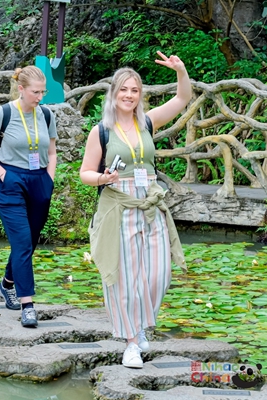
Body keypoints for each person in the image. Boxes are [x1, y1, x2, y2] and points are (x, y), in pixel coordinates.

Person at [79, 51, 191, 369]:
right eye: (124, 89)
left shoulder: (147, 122)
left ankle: (139, 327)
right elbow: (85, 173)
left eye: (135, 90)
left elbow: (183, 97)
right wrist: (103, 177)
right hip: (118, 206)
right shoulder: (101, 131)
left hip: (151, 205)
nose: (129, 95)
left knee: (158, 275)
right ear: (113, 93)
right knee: (125, 278)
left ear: (140, 95)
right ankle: (130, 342)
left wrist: (180, 70)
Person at [0, 66, 57, 328]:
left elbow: (52, 151)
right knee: (21, 241)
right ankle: (27, 304)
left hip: (39, 180)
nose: (40, 97)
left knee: (30, 242)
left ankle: (6, 284)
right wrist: (1, 173)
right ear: (21, 89)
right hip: (10, 180)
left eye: (43, 92)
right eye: (35, 92)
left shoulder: (46, 114)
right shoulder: (3, 113)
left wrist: (49, 179)